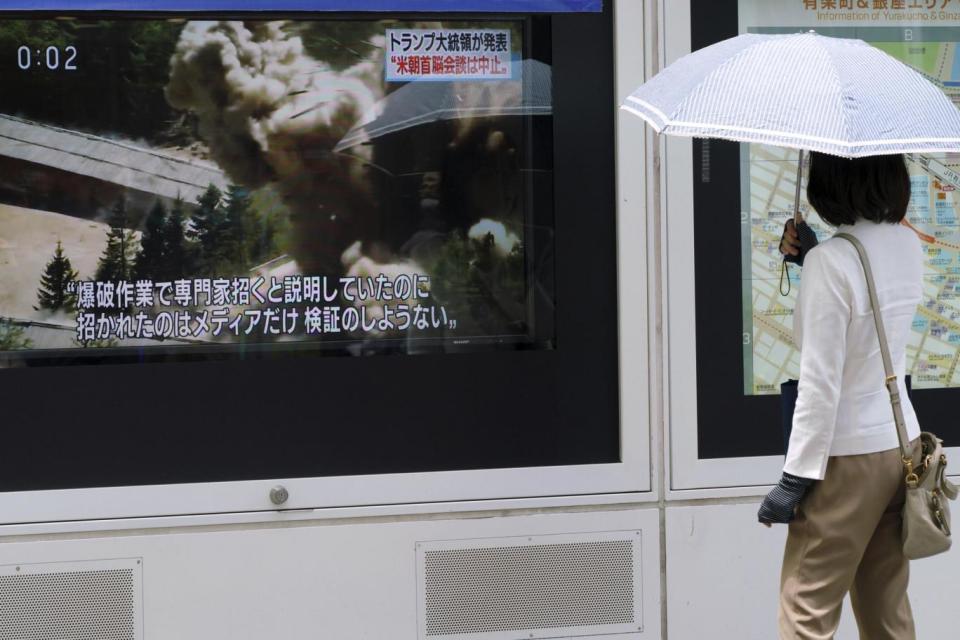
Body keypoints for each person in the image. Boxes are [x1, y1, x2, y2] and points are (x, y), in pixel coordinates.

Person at [758, 151, 923, 640]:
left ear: (832, 183)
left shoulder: (832, 261)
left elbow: (821, 382)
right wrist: (812, 257)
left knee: (805, 608)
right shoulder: (907, 244)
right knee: (884, 604)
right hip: (899, 447)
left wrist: (794, 478)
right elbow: (868, 319)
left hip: (845, 459)